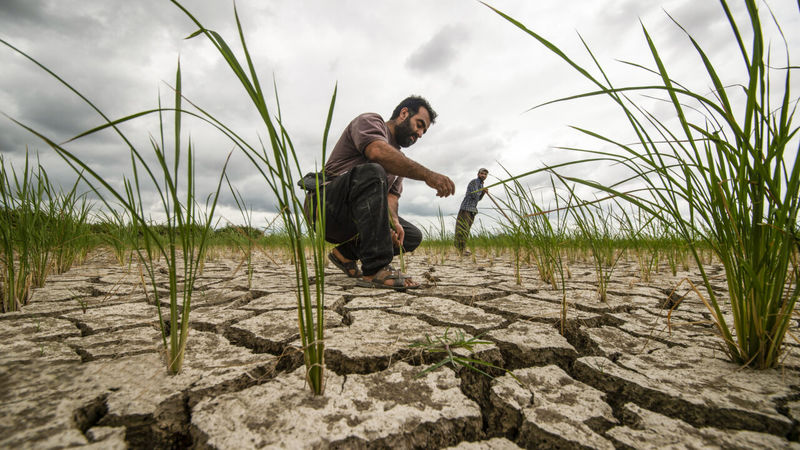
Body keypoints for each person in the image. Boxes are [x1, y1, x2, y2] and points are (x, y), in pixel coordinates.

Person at [311, 95, 455, 290]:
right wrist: (428, 175)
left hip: (356, 220)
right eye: (419, 124)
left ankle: (345, 254)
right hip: (326, 208)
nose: (420, 134)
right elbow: (377, 152)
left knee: (411, 235)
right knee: (373, 170)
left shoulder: (399, 161)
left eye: (424, 131)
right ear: (404, 113)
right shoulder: (370, 121)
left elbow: (391, 198)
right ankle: (375, 269)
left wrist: (393, 222)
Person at [454, 168, 488, 256]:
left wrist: (483, 193)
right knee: (462, 228)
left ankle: (462, 248)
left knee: (466, 230)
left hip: (472, 210)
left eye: (485, 174)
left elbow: (478, 199)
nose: (483, 175)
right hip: (466, 208)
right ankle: (460, 249)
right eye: (482, 173)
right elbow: (474, 195)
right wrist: (482, 191)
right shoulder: (474, 182)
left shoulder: (480, 185)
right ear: (478, 174)